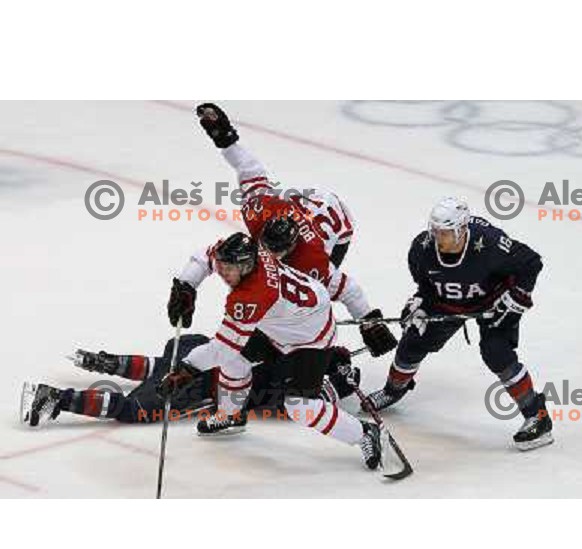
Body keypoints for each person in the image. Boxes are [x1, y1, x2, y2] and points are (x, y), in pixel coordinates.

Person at [163, 231, 384, 470]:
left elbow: (221, 349)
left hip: (310, 339)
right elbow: (206, 256)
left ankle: (364, 433)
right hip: (280, 320)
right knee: (236, 361)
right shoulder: (248, 254)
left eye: (229, 269)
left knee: (300, 407)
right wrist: (185, 285)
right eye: (222, 266)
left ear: (246, 266)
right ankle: (231, 415)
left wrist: (188, 369)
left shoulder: (253, 295)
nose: (223, 272)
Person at [193, 102, 396, 359]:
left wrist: (369, 322)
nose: (268, 256)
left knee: (308, 298)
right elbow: (250, 169)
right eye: (265, 246)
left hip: (337, 229)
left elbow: (349, 289)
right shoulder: (259, 210)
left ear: (291, 248)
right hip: (308, 204)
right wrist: (225, 138)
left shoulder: (312, 261)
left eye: (277, 252)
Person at [368, 196, 552, 451]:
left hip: (492, 304)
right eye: (436, 231)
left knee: (496, 353)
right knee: (413, 341)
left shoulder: (490, 244)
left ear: (462, 229)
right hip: (447, 303)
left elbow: (531, 263)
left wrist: (516, 300)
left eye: (445, 233)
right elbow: (426, 286)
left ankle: (537, 416)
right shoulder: (421, 249)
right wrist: (419, 303)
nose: (438, 238)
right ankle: (393, 389)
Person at [21, 335, 360, 428]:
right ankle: (55, 397)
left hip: (196, 346)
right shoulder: (297, 391)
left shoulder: (306, 343)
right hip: (201, 385)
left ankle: (108, 362)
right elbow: (298, 404)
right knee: (133, 411)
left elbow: (330, 348)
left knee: (166, 366)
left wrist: (338, 361)